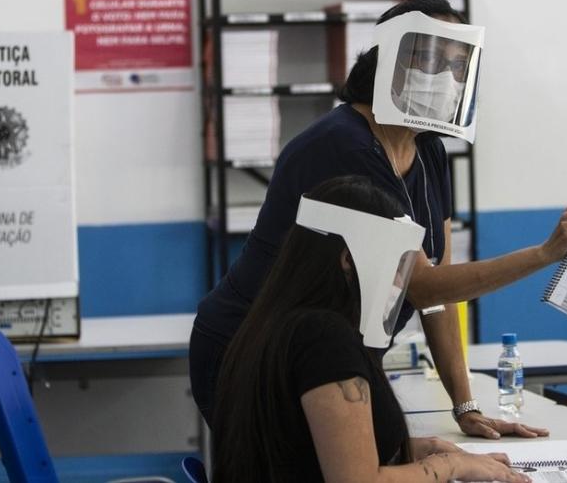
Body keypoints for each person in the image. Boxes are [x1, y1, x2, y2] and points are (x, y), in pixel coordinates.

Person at [190, 0, 567, 438]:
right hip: (251, 351)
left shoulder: (429, 150)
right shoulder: (342, 145)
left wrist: (464, 406)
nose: (445, 76)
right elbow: (420, 283)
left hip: (326, 353)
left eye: (458, 64)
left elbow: (438, 296)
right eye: (429, 58)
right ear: (388, 59)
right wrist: (546, 253)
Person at [212, 176, 530, 483]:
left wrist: (414, 450)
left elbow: (302, 453)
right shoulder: (323, 338)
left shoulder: (274, 322)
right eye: (396, 264)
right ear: (349, 259)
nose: (399, 283)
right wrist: (449, 465)